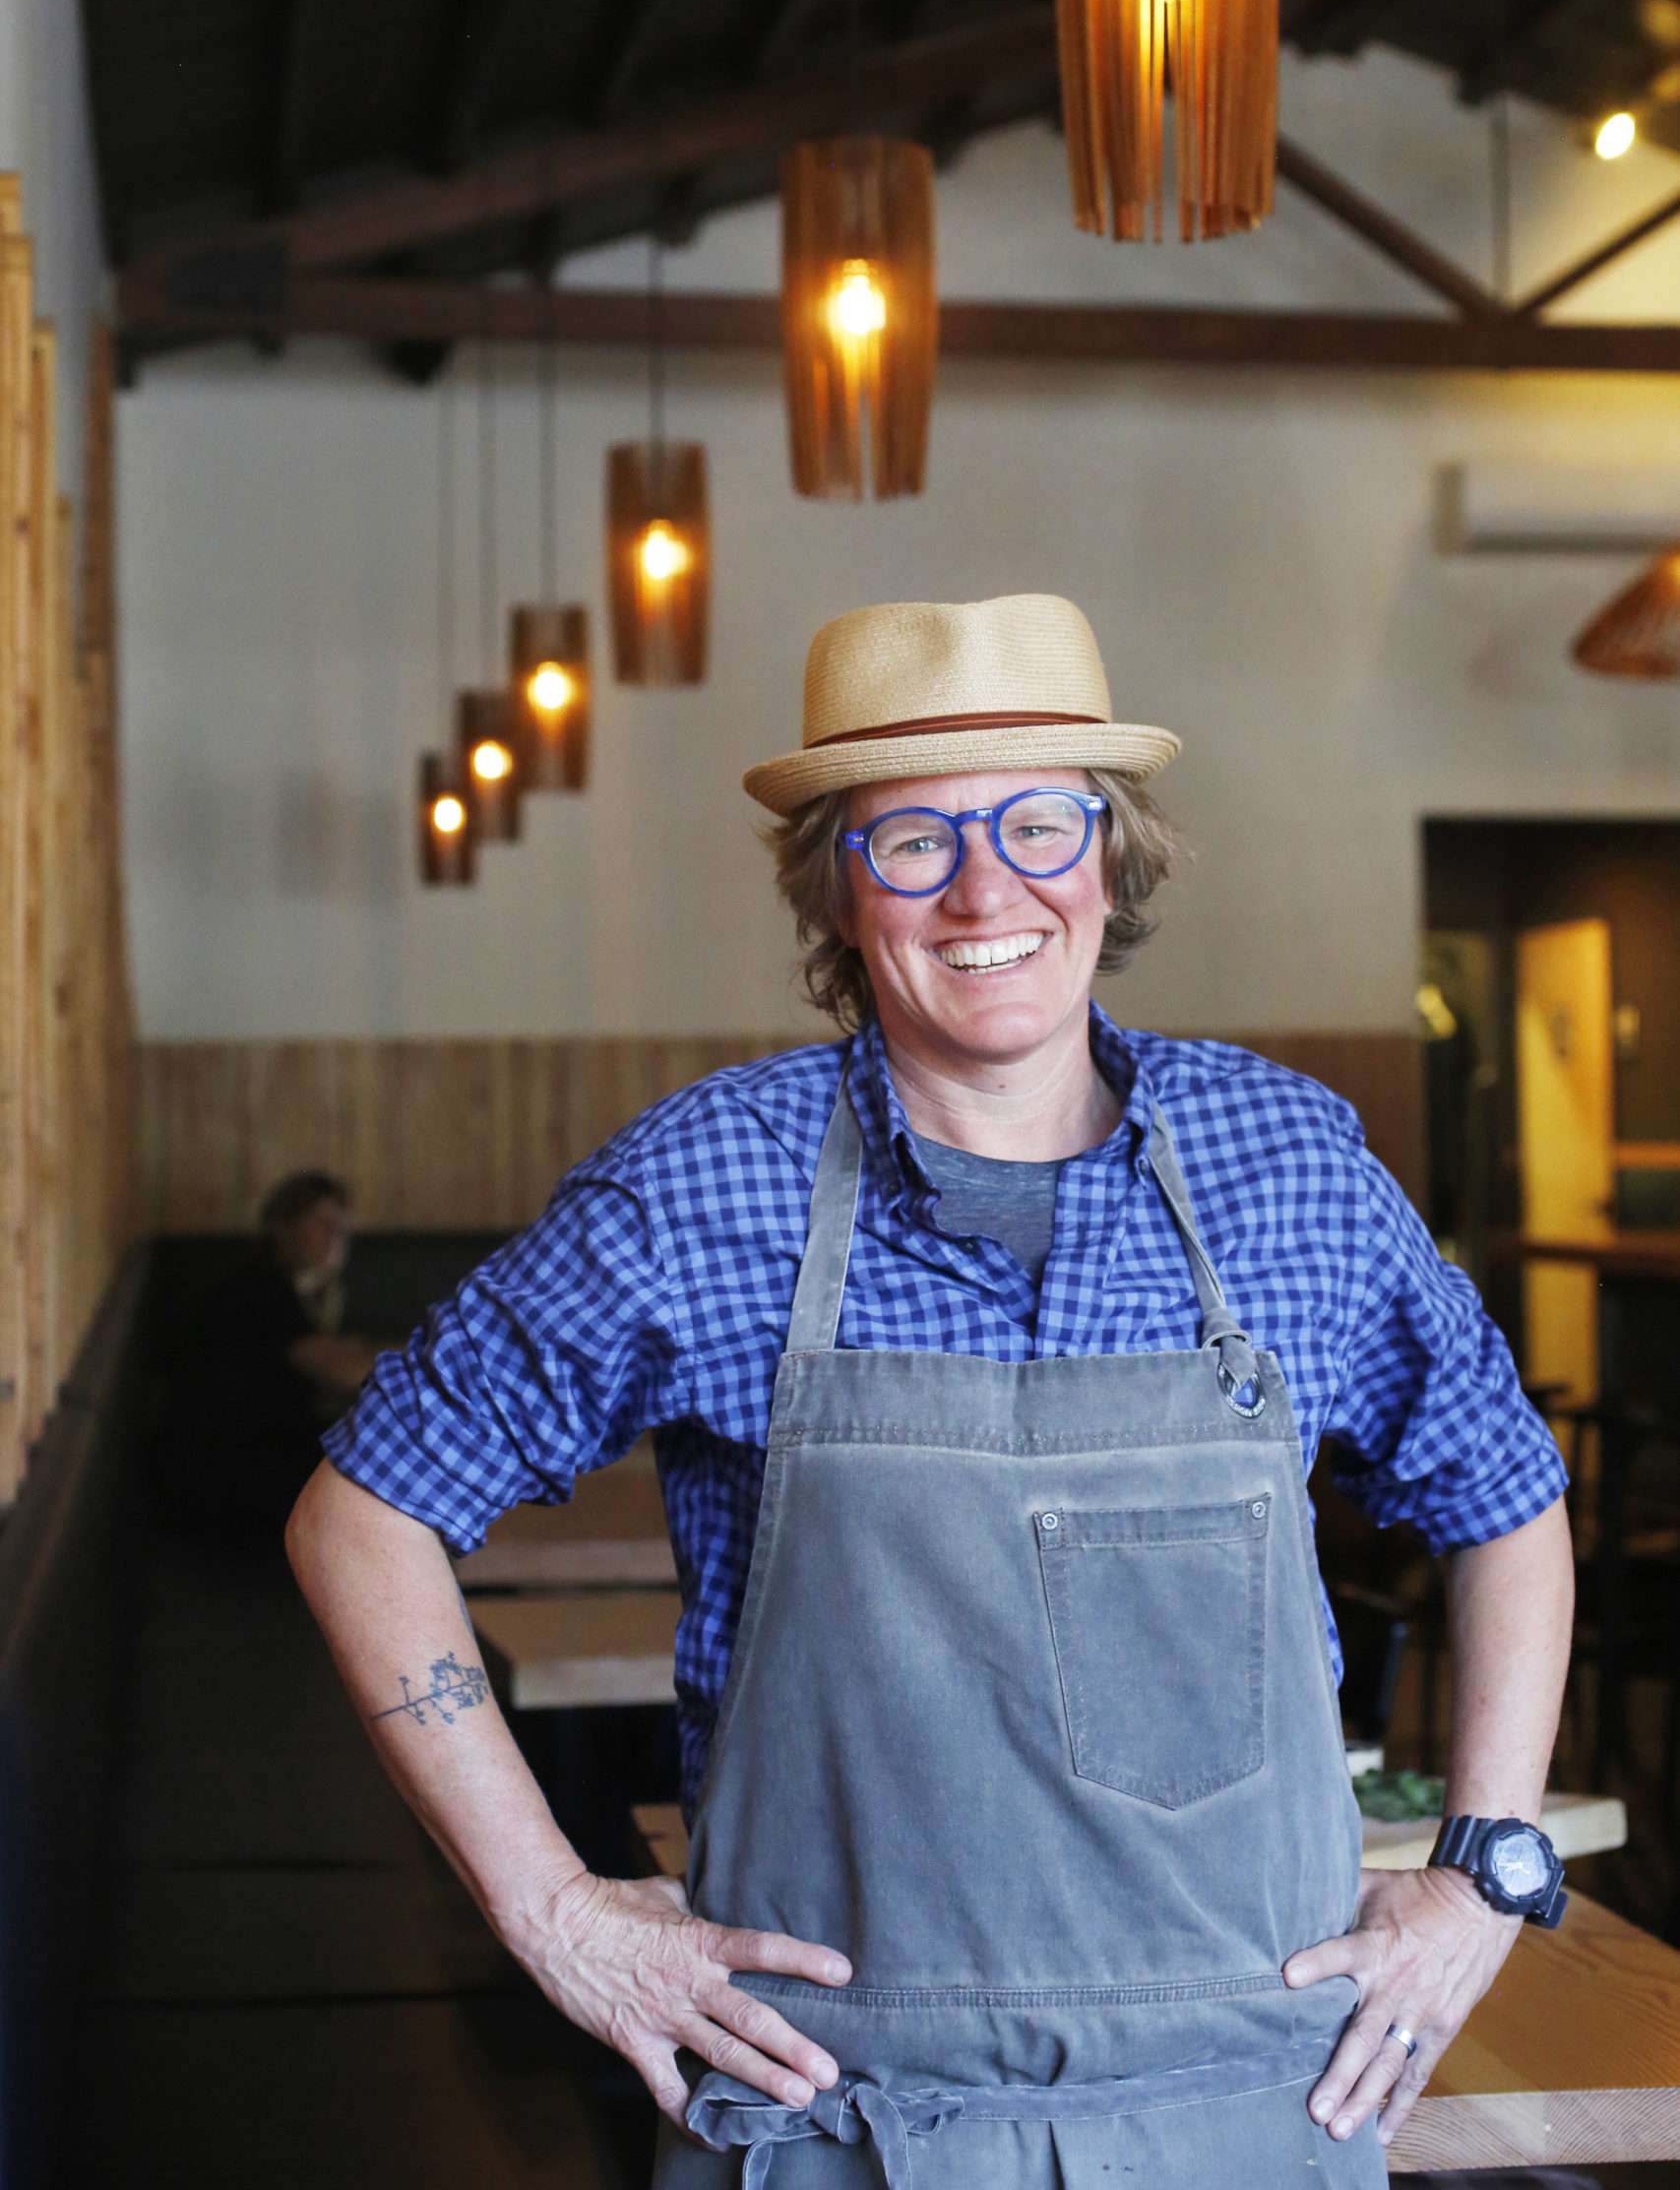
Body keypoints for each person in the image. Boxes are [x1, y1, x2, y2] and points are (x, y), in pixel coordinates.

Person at [288, 594, 1573, 2189]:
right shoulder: (712, 1182)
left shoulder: (1284, 1163)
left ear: (1114, 854)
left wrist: (1481, 1869)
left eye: (1041, 824)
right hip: (843, 2118)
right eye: (912, 843)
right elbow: (363, 1515)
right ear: (838, 887)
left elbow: (1504, 1498)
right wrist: (549, 1911)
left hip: (1255, 2109)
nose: (987, 890)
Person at [156, 1170, 379, 1535]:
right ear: (281, 1226)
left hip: (244, 1463)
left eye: (341, 1225)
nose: (336, 1235)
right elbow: (345, 1372)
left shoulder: (293, 1291)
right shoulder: (260, 1291)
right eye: (320, 1223)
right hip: (222, 1482)